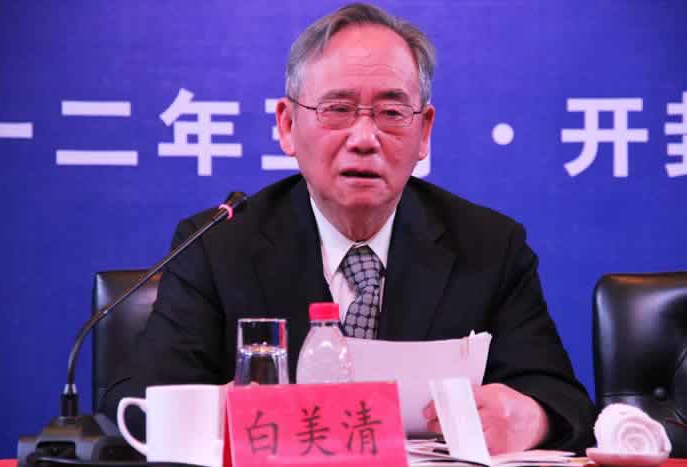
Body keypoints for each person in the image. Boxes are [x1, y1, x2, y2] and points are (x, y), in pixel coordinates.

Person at [101, 2, 595, 454]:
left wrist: (530, 418)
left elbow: (562, 399)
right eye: (337, 110)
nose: (364, 137)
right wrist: (230, 411)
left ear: (424, 131)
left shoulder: (489, 246)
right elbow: (135, 402)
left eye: (391, 113)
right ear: (287, 126)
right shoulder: (217, 245)